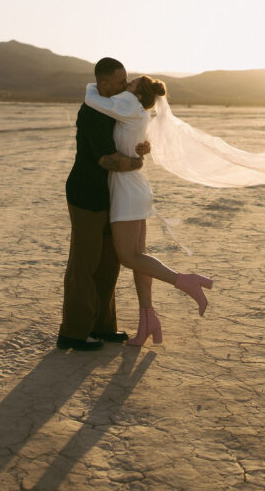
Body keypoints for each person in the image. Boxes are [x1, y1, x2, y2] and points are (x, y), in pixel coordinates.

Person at [84, 75, 213, 347]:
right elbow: (134, 145)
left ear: (137, 94)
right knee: (139, 257)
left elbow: (92, 99)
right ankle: (148, 321)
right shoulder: (136, 110)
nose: (124, 84)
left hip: (127, 191)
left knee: (128, 256)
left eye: (129, 83)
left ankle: (184, 281)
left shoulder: (129, 103)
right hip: (135, 188)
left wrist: (93, 84)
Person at [57, 57, 150, 352]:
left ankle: (103, 326)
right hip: (86, 192)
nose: (126, 87)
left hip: (111, 193)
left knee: (109, 262)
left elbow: (125, 136)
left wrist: (139, 144)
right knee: (84, 262)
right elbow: (106, 159)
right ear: (105, 83)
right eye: (121, 82)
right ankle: (73, 332)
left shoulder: (112, 105)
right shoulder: (92, 112)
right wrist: (137, 162)